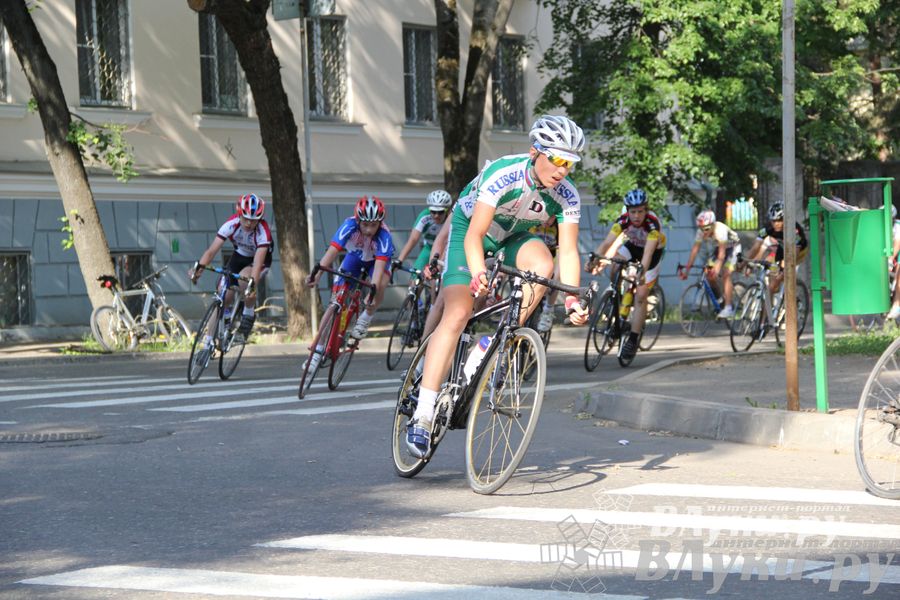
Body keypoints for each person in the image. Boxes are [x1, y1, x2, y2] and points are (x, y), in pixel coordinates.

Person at [405, 114, 591, 459]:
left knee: (543, 265)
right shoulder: (504, 173)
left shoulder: (567, 195)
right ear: (535, 152)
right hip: (470, 232)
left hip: (512, 236)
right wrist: (478, 274)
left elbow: (567, 250)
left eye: (570, 163)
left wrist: (571, 300)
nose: (563, 170)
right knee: (458, 312)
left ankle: (499, 338)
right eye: (557, 159)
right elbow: (475, 235)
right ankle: (423, 413)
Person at [587, 189, 667, 362]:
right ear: (627, 211)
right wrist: (594, 260)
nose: (637, 216)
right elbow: (607, 243)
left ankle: (633, 339)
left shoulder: (652, 225)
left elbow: (647, 254)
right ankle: (617, 299)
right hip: (633, 247)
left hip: (652, 254)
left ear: (646, 210)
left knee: (641, 295)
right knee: (615, 265)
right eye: (633, 212)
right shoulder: (622, 221)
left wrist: (641, 273)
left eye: (640, 211)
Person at [305, 195, 395, 342]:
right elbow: (332, 251)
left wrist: (372, 292)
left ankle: (365, 318)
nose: (369, 229)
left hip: (376, 261)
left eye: (374, 225)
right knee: (334, 301)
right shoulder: (349, 225)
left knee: (380, 285)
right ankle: (319, 346)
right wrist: (317, 274)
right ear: (358, 220)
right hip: (355, 257)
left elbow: (379, 270)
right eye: (365, 224)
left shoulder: (384, 236)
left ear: (380, 223)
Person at [189, 193, 272, 337]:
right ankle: (208, 341)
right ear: (239, 214)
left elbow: (258, 263)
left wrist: (252, 286)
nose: (248, 223)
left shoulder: (263, 232)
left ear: (259, 219)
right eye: (245, 219)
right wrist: (198, 269)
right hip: (239, 255)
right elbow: (211, 251)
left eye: (253, 221)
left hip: (258, 260)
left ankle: (248, 313)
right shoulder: (231, 224)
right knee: (222, 293)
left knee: (245, 281)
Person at [678, 210, 742, 318]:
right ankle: (720, 301)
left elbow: (722, 255)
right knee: (708, 274)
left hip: (733, 248)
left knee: (726, 273)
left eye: (707, 229)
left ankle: (728, 307)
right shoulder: (702, 231)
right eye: (701, 228)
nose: (704, 232)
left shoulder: (720, 230)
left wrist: (717, 268)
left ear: (713, 225)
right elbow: (694, 250)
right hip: (719, 248)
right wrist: (687, 269)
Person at [746, 202, 808, 297]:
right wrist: (746, 262)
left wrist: (783, 271)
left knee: (781, 276)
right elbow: (756, 247)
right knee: (772, 281)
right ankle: (770, 304)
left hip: (798, 251)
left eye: (779, 220)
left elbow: (793, 255)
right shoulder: (768, 228)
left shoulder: (794, 230)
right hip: (782, 249)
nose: (776, 224)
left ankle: (791, 298)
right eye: (773, 221)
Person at [394, 189, 452, 273]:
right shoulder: (424, 216)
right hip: (428, 248)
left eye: (440, 212)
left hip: (445, 250)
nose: (436, 215)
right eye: (433, 211)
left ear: (447, 210)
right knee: (416, 275)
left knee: (437, 275)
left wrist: (439, 267)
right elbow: (413, 240)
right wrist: (400, 260)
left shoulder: (451, 218)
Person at [885, 205, 900, 319]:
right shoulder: (879, 225)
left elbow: (897, 243)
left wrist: (890, 260)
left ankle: (896, 304)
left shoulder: (897, 225)